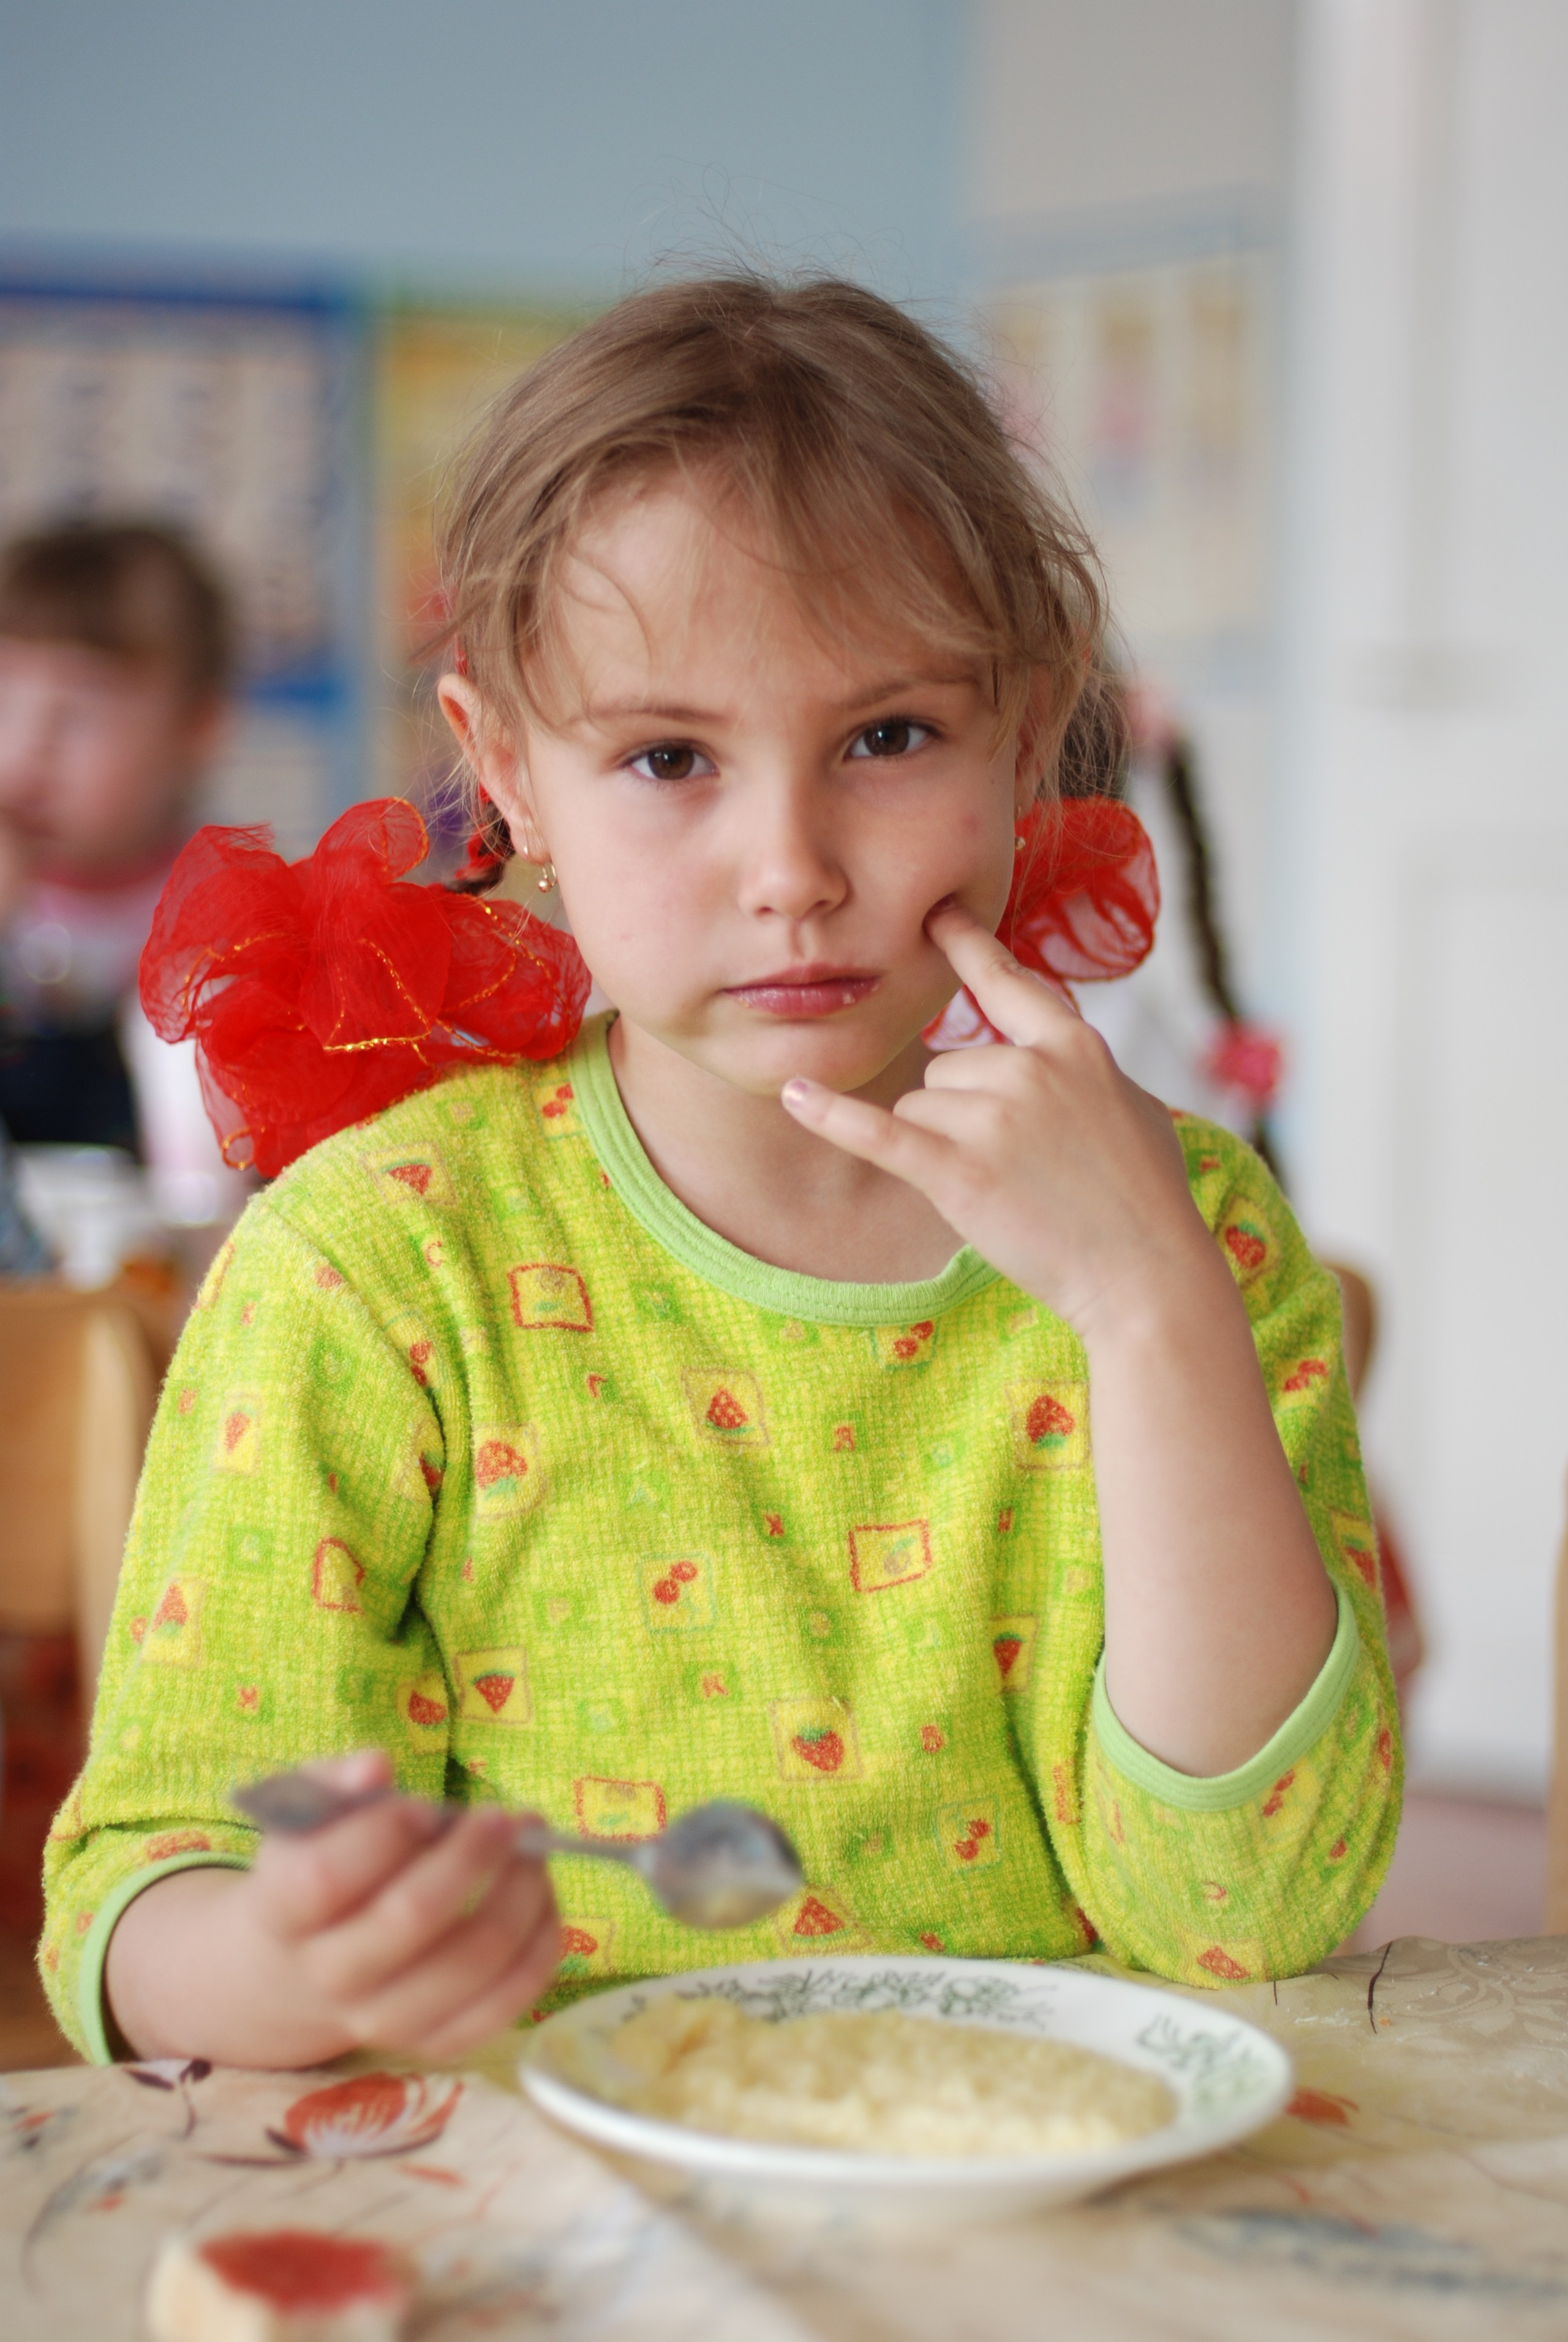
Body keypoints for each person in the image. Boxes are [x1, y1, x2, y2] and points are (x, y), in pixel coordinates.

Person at [41, 277, 1400, 2069]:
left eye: (887, 736)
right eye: (667, 756)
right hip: (532, 2195)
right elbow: (144, 1888)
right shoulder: (370, 1266)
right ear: (508, 772)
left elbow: (1250, 1907)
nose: (789, 867)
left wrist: (1151, 1315)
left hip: (1052, 2177)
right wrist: (291, 1959)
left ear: (1027, 729)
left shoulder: (1185, 1230)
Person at [0, 522, 232, 1160]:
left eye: (78, 715)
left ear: (197, 726)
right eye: (4, 703)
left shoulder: (232, 912)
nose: (27, 749)